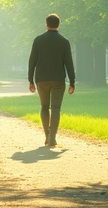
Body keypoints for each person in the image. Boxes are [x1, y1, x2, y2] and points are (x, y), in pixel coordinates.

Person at [28, 13, 75, 147]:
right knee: (55, 108)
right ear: (58, 24)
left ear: (46, 23)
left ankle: (46, 135)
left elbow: (32, 61)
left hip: (41, 79)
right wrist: (72, 82)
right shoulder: (64, 41)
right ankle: (53, 138)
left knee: (44, 106)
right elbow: (69, 63)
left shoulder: (38, 40)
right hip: (58, 80)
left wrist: (30, 80)